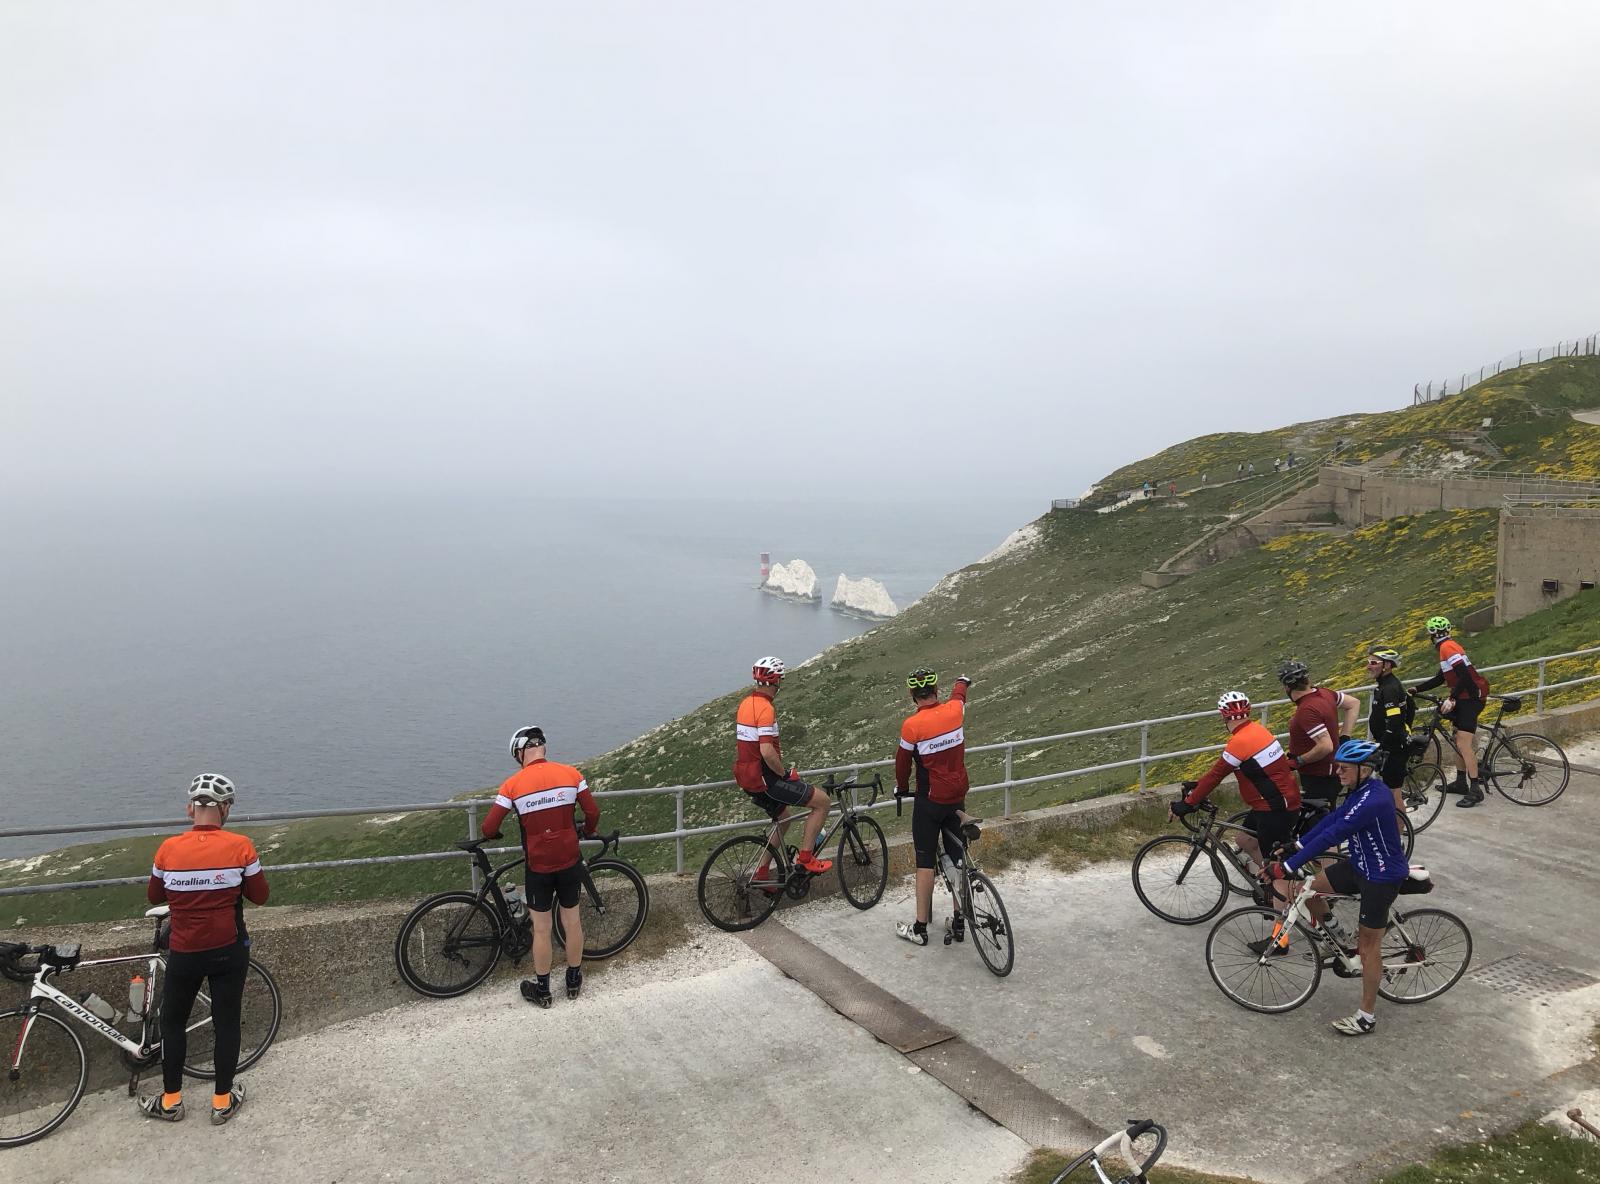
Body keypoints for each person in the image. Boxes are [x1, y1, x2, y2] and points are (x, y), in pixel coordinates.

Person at [140, 774, 268, 1125]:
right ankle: (222, 1101)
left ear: (190, 809)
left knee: (173, 1022)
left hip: (185, 951)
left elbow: (154, 896)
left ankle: (171, 1101)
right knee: (226, 1022)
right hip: (229, 948)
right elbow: (260, 896)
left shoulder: (168, 849)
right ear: (225, 808)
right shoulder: (241, 845)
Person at [1266, 739, 1410, 1036]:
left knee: (1369, 950)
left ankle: (1366, 1017)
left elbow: (1336, 833)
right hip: (1359, 866)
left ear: (1364, 769)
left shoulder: (1374, 799)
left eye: (1344, 768)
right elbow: (1332, 820)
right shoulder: (1359, 791)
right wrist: (1296, 846)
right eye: (1338, 767)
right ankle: (1339, 936)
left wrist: (1288, 866)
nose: (1338, 772)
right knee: (1304, 891)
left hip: (1380, 877)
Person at [483, 726, 600, 1008]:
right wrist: (587, 830)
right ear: (543, 747)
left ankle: (544, 991)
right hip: (570, 860)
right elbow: (593, 812)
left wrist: (494, 835)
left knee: (542, 929)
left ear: (520, 752)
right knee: (572, 921)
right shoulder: (572, 774)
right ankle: (573, 981)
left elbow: (488, 827)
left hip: (538, 866)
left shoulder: (512, 785)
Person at [1170, 691, 1300, 872]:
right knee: (1245, 840)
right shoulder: (1257, 730)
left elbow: (1216, 776)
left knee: (1277, 868)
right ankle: (1267, 880)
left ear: (1223, 715)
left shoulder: (1239, 742)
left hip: (1275, 808)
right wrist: (1197, 785)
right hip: (1275, 802)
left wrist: (1187, 803)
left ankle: (1286, 885)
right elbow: (1217, 773)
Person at [894, 668, 978, 946]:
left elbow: (903, 763)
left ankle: (920, 928)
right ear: (935, 690)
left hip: (929, 800)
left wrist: (901, 787)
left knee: (925, 861)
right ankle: (959, 921)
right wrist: (962, 681)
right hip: (957, 797)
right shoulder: (954, 711)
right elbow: (960, 694)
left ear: (912, 695)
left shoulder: (912, 726)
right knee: (958, 856)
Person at [733, 656, 833, 879]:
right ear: (777, 681)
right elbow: (767, 752)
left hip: (746, 777)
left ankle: (761, 872)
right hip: (766, 779)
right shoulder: (766, 709)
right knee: (823, 802)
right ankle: (806, 858)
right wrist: (785, 773)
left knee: (784, 818)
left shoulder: (745, 704)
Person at [1409, 615, 1489, 808]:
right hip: (1465, 698)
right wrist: (1417, 689)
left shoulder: (1447, 647)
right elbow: (1441, 677)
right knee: (1456, 738)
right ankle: (1461, 782)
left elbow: (1464, 676)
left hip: (1470, 699)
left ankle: (1475, 790)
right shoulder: (1449, 646)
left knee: (1463, 744)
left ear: (1433, 635)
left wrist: (1452, 697)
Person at [1279, 660, 1360, 813]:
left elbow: (1325, 746)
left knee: (1318, 821)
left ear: (1287, 687)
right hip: (1331, 769)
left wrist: (1298, 761)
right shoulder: (1325, 693)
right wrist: (1345, 736)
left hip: (1319, 775)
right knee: (1327, 816)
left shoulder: (1307, 709)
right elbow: (1353, 703)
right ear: (1307, 680)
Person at [1365, 647, 1414, 792]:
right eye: (1368, 662)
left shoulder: (1390, 688)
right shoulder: (1385, 685)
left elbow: (1395, 721)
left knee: (1394, 795)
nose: (1368, 666)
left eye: (1373, 663)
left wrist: (1381, 745)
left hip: (1392, 748)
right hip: (1389, 745)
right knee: (1388, 790)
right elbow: (1410, 706)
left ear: (1386, 665)